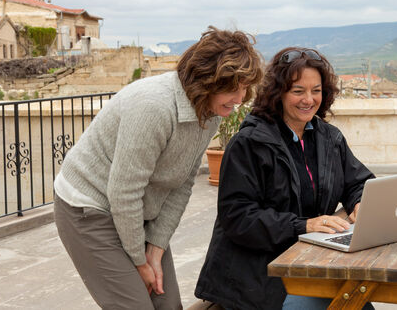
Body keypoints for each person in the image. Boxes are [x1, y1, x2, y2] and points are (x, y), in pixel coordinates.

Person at [53, 26, 263, 310]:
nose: (240, 98)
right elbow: (124, 191)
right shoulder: (153, 107)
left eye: (244, 88)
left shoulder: (209, 112)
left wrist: (156, 248)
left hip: (135, 212)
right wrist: (139, 261)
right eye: (233, 87)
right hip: (88, 209)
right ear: (207, 79)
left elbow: (183, 183)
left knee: (167, 305)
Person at [195, 47, 375, 309]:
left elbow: (357, 181)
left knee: (358, 301)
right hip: (257, 278)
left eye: (316, 90)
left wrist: (359, 201)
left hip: (307, 263)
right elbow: (238, 216)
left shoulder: (329, 137)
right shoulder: (249, 143)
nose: (308, 100)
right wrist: (303, 226)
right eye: (298, 91)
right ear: (278, 93)